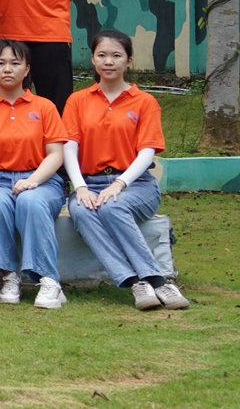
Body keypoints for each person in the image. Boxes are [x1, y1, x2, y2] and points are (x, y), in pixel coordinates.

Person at [63, 29, 188, 311]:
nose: (109, 61)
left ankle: (157, 281)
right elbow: (69, 148)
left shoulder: (144, 102)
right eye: (102, 55)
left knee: (112, 206)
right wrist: (80, 187)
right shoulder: (77, 101)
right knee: (81, 210)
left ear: (129, 61)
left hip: (136, 185)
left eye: (116, 55)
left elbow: (147, 152)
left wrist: (119, 185)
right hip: (90, 182)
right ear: (93, 59)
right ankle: (135, 282)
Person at [0, 38, 69, 309]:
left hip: (42, 180)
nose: (7, 69)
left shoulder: (44, 106)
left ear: (27, 68)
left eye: (15, 63)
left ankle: (49, 281)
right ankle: (9, 276)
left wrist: (33, 181)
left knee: (31, 201)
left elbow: (55, 154)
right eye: (0, 63)